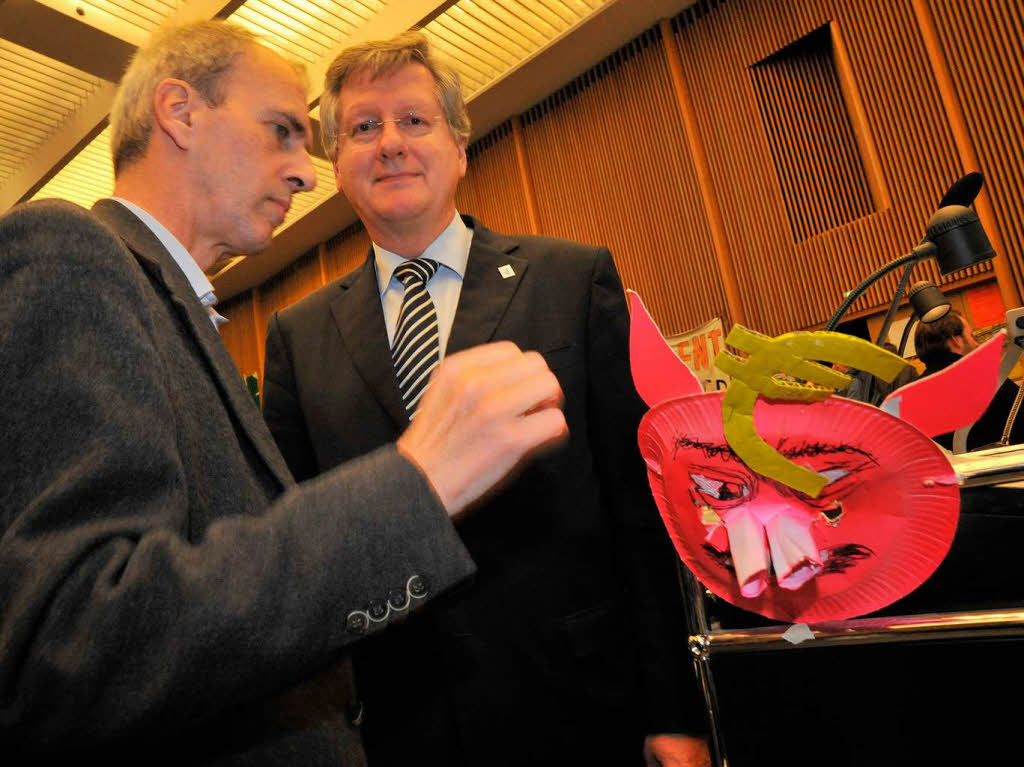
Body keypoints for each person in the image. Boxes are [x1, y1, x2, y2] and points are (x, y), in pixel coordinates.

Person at [0, 21, 568, 765]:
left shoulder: (176, 311)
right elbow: (74, 636)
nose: (308, 172)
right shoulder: (65, 251)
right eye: (282, 132)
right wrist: (416, 483)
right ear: (180, 111)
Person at [262, 32, 710, 767]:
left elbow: (639, 508)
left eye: (414, 120)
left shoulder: (572, 278)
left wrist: (673, 708)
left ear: (460, 145)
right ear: (337, 163)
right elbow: (299, 537)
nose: (391, 144)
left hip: (580, 703)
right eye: (364, 128)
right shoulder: (296, 335)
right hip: (398, 726)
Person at [914, 310, 1024, 450]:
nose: (977, 343)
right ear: (956, 340)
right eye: (972, 336)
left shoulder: (910, 395)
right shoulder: (987, 380)